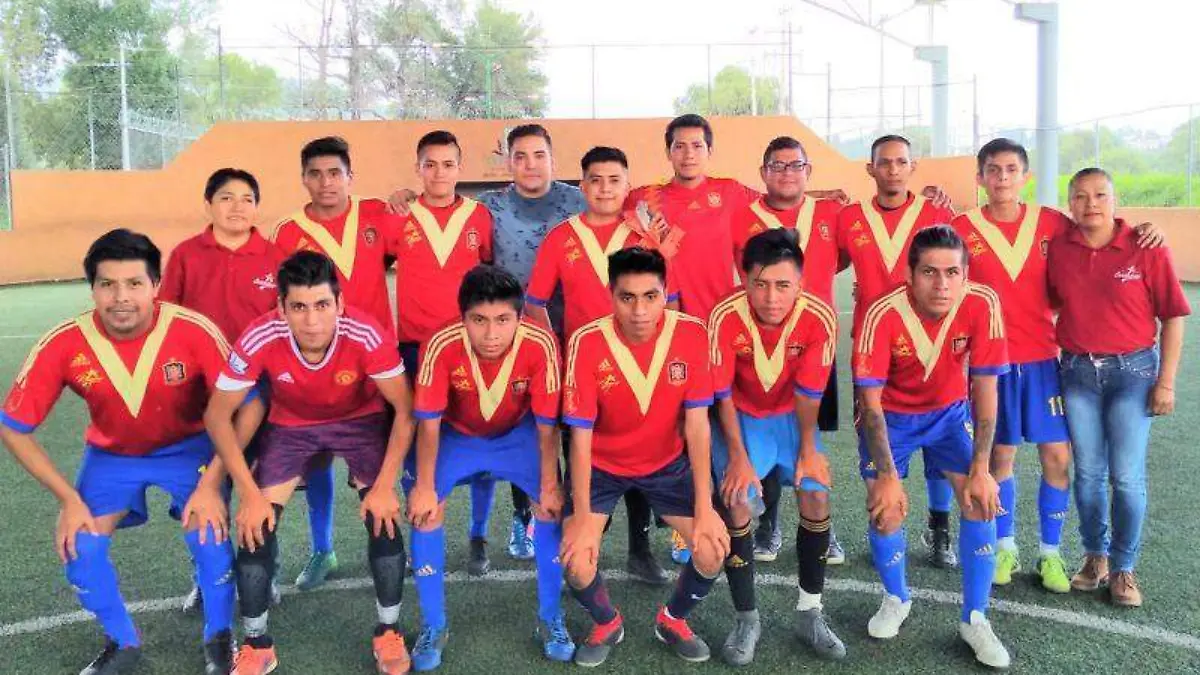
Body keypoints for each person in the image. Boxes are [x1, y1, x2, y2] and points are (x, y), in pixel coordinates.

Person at [0, 229, 255, 675]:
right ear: (93, 289)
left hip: (188, 449)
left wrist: (213, 482)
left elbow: (249, 405)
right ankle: (122, 642)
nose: (121, 298)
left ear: (155, 286)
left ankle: (218, 635)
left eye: (134, 284)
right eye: (108, 284)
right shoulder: (64, 342)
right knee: (79, 548)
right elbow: (13, 427)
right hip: (112, 457)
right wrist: (68, 499)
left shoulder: (193, 330)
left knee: (210, 537)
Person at [389, 124, 592, 566]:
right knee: (457, 428)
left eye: (538, 155)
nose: (530, 164)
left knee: (547, 427)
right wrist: (403, 195)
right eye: (520, 156)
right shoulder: (490, 207)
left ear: (553, 158)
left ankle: (558, 514)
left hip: (558, 334)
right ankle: (511, 518)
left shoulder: (579, 201)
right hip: (480, 338)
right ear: (507, 162)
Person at [205, 251, 415, 675]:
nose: (312, 320)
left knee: (384, 517)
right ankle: (257, 643)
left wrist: (384, 485)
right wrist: (247, 493)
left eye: (322, 305)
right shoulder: (261, 335)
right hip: (291, 424)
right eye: (299, 307)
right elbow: (216, 415)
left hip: (359, 420)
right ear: (281, 308)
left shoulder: (366, 334)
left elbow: (405, 410)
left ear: (340, 303)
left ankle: (389, 632)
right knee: (255, 526)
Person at [559, 247, 730, 667]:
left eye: (650, 297)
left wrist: (705, 507)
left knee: (712, 548)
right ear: (610, 294)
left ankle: (672, 620)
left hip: (666, 464)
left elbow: (697, 426)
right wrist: (580, 519)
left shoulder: (692, 334)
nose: (639, 311)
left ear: (665, 293)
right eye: (627, 297)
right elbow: (580, 439)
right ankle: (606, 623)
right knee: (576, 561)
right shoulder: (587, 341)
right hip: (602, 466)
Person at [853, 225, 1011, 668]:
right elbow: (870, 404)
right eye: (929, 272)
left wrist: (982, 468)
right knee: (886, 509)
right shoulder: (882, 313)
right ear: (910, 275)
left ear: (965, 275)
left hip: (949, 417)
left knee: (980, 501)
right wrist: (887, 477)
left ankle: (975, 617)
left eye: (952, 272)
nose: (942, 284)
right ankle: (896, 598)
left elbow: (985, 390)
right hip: (891, 419)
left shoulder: (983, 303)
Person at [404, 266, 574, 670]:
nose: (491, 334)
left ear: (519, 316)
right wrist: (425, 486)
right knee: (425, 511)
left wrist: (549, 484)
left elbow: (547, 426)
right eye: (479, 320)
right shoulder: (440, 343)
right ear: (463, 316)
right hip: (457, 436)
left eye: (502, 320)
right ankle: (434, 625)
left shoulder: (542, 342)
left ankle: (551, 618)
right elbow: (428, 424)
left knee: (550, 507)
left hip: (517, 435)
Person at [1048, 168, 1190, 607]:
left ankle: (1124, 567)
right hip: (1077, 374)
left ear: (1115, 200)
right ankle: (1096, 556)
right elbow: (1046, 300)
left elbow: (1173, 316)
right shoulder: (1059, 249)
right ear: (1069, 204)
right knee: (1088, 474)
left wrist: (1166, 383)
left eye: (1100, 195)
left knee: (1126, 477)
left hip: (1134, 374)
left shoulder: (1146, 247)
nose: (1091, 203)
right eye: (1080, 196)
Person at [269, 136, 404, 591]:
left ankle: (387, 548)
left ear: (350, 176)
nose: (326, 182)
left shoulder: (377, 214)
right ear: (303, 179)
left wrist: (408, 198)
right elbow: (283, 300)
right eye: (316, 174)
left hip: (376, 361)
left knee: (382, 462)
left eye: (335, 173)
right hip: (317, 362)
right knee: (317, 456)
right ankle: (322, 549)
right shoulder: (287, 233)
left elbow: (416, 249)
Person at [708, 229, 843, 665]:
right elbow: (722, 394)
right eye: (760, 284)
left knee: (816, 492)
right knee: (737, 501)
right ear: (744, 279)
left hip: (791, 417)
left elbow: (810, 393)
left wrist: (808, 452)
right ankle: (746, 618)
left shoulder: (819, 317)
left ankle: (810, 612)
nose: (771, 297)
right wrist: (738, 458)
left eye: (783, 285)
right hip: (741, 418)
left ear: (800, 283)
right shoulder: (724, 315)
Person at [159, 168, 286, 613]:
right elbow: (166, 318)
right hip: (200, 395)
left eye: (247, 198)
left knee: (259, 487)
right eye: (227, 197)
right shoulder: (186, 255)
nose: (237, 206)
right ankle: (206, 577)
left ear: (257, 206)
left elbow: (285, 325)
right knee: (205, 488)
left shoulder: (275, 257)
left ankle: (264, 571)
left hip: (258, 394)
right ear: (208, 204)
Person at [837, 134, 960, 569]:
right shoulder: (848, 217)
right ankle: (887, 525)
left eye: (901, 162)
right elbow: (822, 260)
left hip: (933, 345)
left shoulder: (936, 213)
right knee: (877, 438)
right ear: (870, 168)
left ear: (912, 166)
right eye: (884, 162)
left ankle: (939, 527)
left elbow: (957, 271)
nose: (892, 169)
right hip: (873, 350)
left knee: (941, 446)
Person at [727, 136, 846, 565]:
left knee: (808, 434)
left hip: (814, 343)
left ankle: (822, 527)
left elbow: (846, 256)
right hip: (761, 340)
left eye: (795, 165)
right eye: (777, 166)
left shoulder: (832, 212)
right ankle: (769, 525)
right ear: (763, 173)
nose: (786, 173)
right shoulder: (741, 217)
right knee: (765, 429)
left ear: (808, 171)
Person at [387, 129, 497, 576]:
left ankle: (478, 534)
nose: (438, 173)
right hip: (416, 349)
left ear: (460, 167)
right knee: (418, 443)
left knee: (478, 436)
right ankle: (423, 529)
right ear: (418, 168)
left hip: (470, 347)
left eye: (447, 164)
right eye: (429, 165)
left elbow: (489, 269)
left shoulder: (479, 216)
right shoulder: (399, 215)